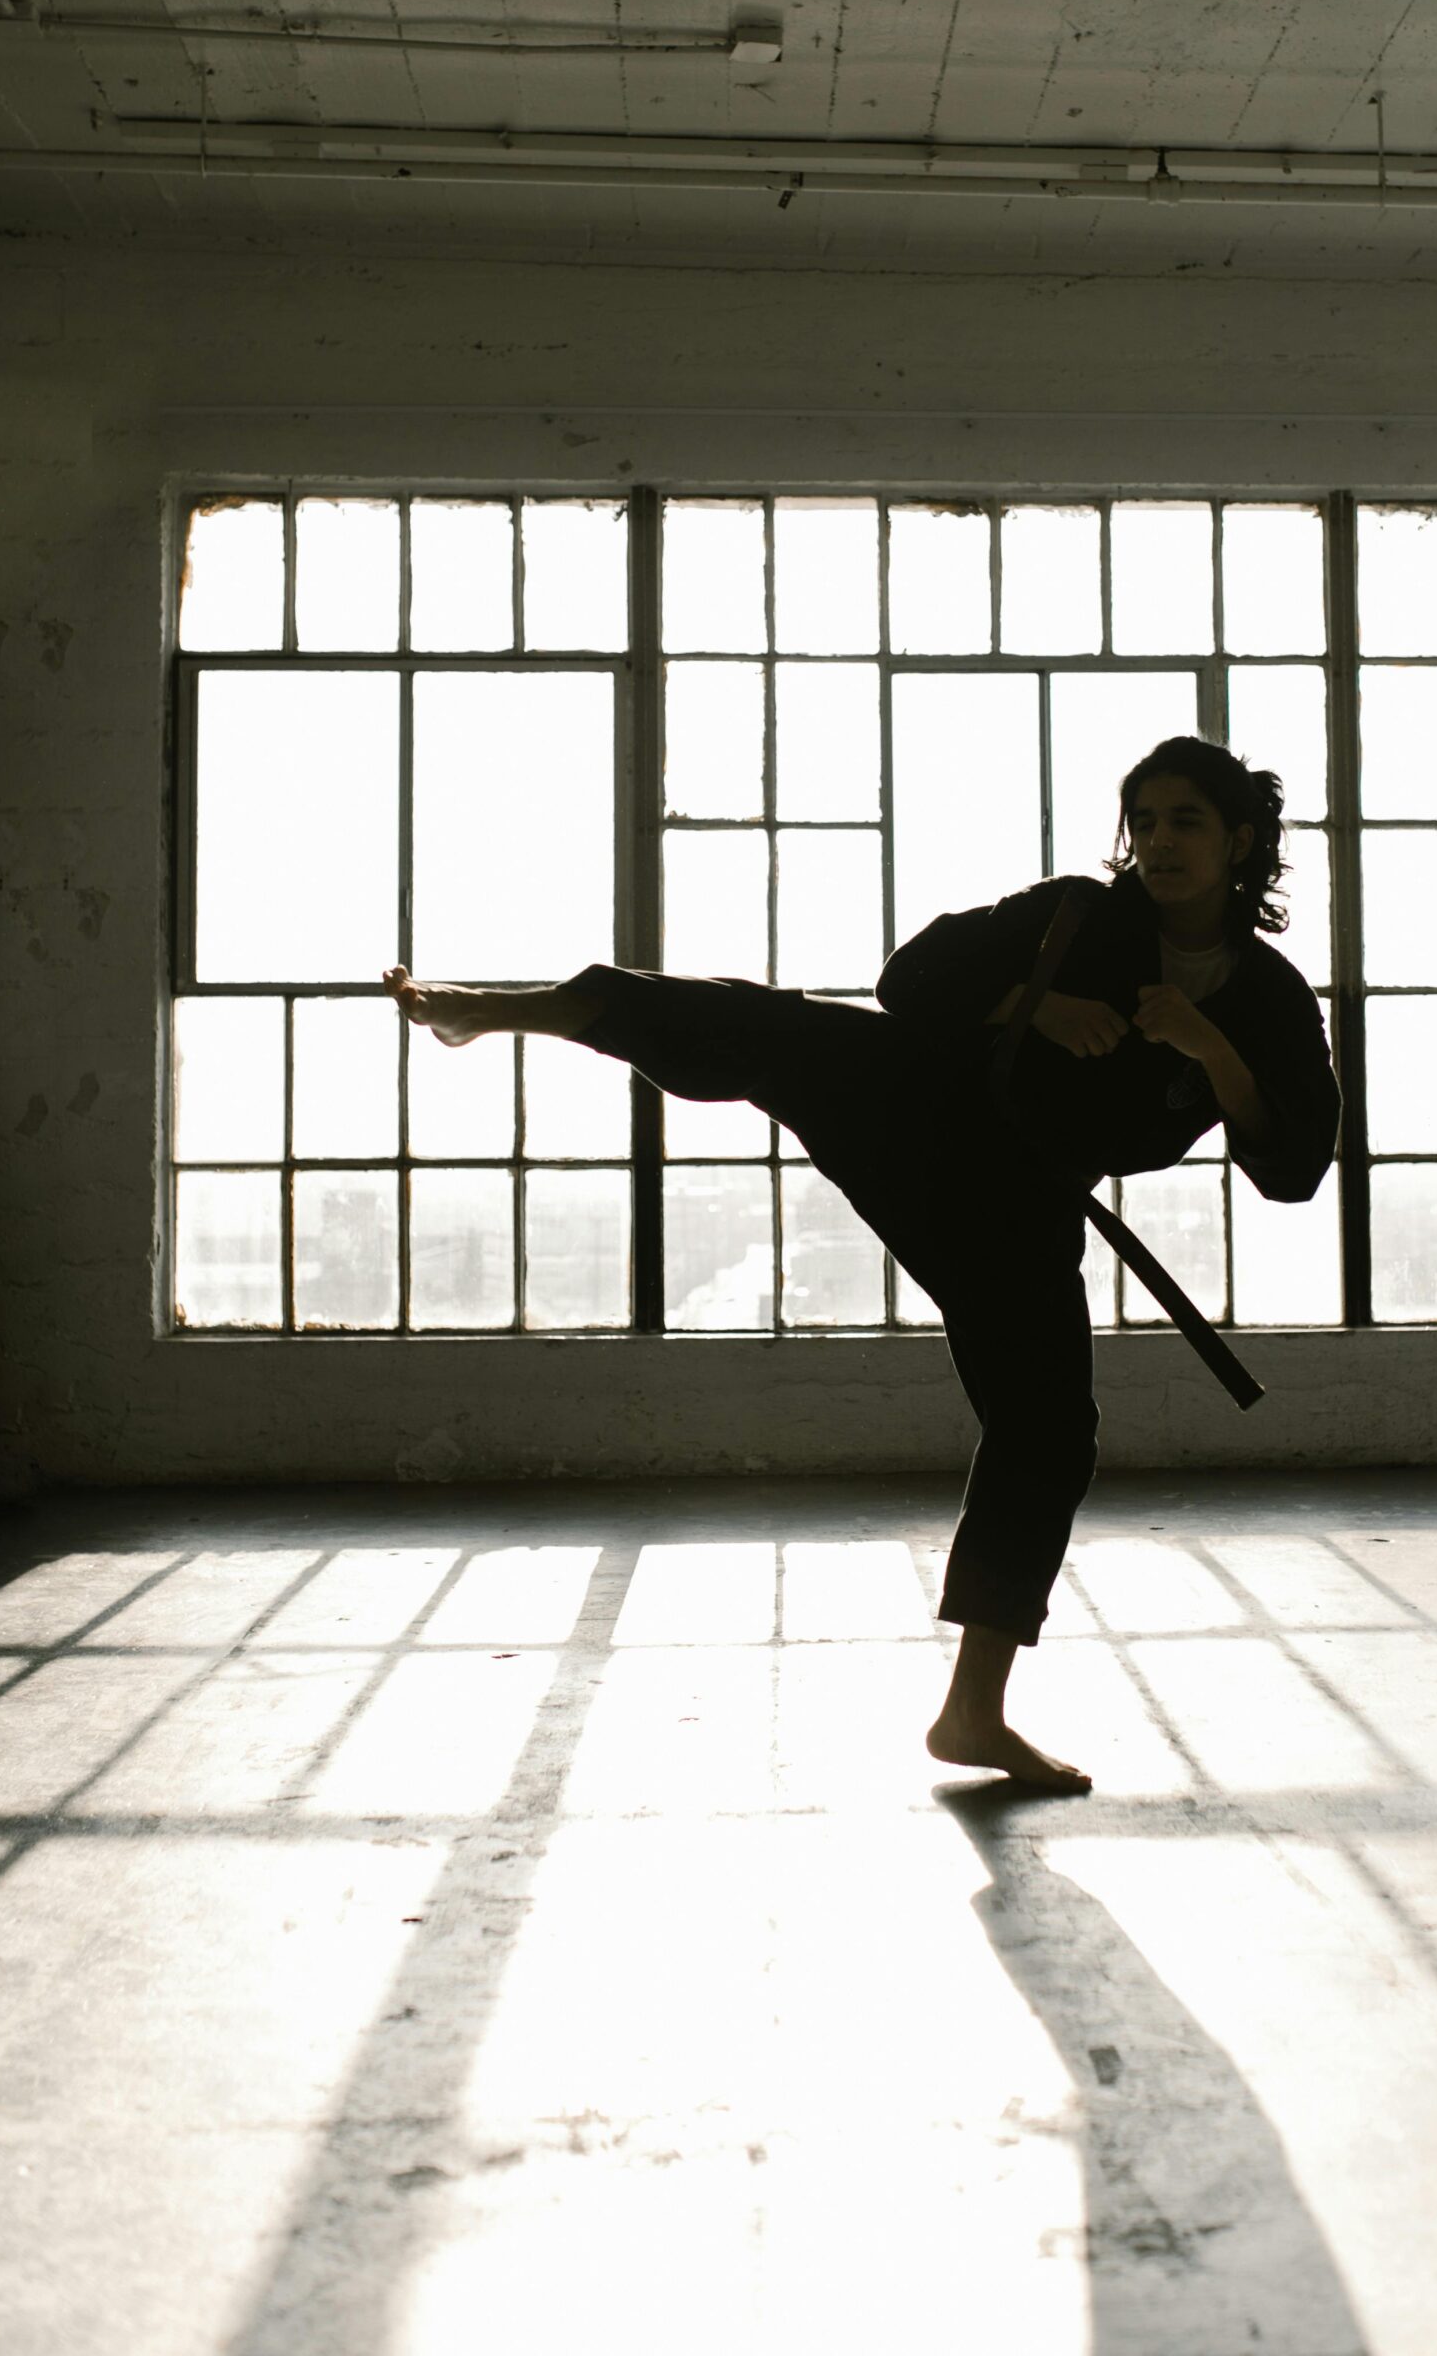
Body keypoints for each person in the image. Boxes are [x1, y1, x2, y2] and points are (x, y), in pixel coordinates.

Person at [383, 734, 1340, 1793]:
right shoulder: (1079, 913)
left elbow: (1293, 1165)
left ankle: (974, 1714)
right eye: (1145, 819)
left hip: (1021, 1198)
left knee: (1049, 1429)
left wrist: (1213, 1050)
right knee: (776, 1029)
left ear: (1240, 840)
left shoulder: (1269, 1001)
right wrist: (1032, 1003)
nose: (1158, 841)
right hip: (924, 1107)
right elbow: (910, 978)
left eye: (1186, 821)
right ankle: (513, 1008)